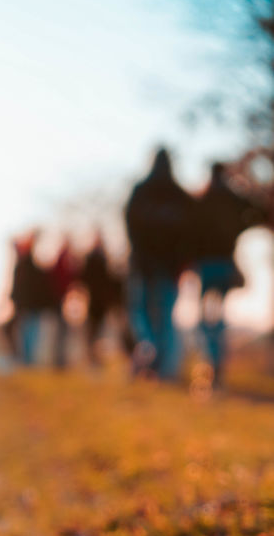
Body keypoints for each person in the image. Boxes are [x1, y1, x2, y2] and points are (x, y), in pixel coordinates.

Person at [192, 161, 268, 388]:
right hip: (225, 264)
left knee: (206, 319)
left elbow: (189, 230)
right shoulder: (234, 198)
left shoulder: (202, 199)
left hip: (206, 266)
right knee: (219, 318)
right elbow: (259, 212)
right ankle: (216, 364)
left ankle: (211, 363)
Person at [125, 147, 195, 380]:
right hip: (169, 267)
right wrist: (181, 262)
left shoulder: (141, 191)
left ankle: (148, 349)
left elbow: (130, 228)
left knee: (141, 312)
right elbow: (188, 237)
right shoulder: (180, 197)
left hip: (143, 266)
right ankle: (165, 369)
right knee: (166, 317)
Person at [6, 235, 46, 365]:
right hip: (23, 305)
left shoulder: (29, 265)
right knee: (20, 332)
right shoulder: (22, 264)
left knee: (29, 335)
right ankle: (22, 359)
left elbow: (29, 288)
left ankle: (27, 361)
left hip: (29, 306)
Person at [80, 234, 120, 365]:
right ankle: (91, 357)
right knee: (92, 331)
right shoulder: (91, 259)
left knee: (102, 331)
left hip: (103, 302)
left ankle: (97, 357)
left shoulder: (105, 260)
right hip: (94, 302)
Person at [46, 239, 77, 369]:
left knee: (62, 330)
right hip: (57, 300)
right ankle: (59, 360)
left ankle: (60, 359)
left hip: (61, 300)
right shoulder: (61, 262)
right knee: (61, 330)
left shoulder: (63, 262)